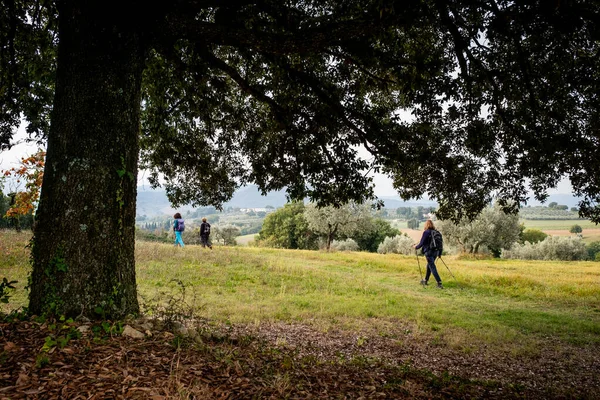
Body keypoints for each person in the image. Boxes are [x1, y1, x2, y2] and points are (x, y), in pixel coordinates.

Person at [413, 220, 443, 288]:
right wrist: (440, 253)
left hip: (429, 252)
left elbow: (422, 243)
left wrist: (416, 247)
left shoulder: (426, 232)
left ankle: (439, 282)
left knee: (432, 266)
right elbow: (441, 244)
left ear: (426, 225)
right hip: (436, 252)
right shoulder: (436, 232)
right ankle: (426, 280)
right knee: (429, 265)